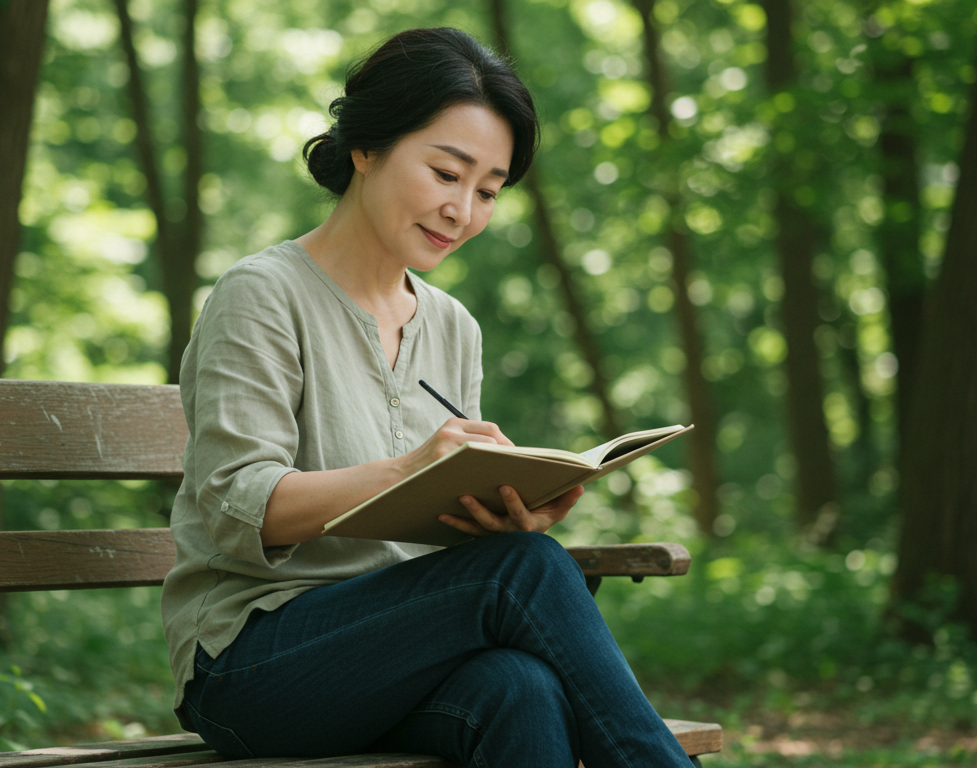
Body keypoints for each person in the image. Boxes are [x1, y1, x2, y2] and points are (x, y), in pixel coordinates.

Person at [160, 27, 695, 767]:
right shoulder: (262, 295)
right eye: (446, 173)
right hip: (253, 663)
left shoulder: (452, 326)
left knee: (520, 686)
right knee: (530, 569)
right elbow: (232, 503)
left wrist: (499, 515)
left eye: (488, 191)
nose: (463, 210)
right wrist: (415, 471)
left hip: (399, 654)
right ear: (367, 148)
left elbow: (428, 545)